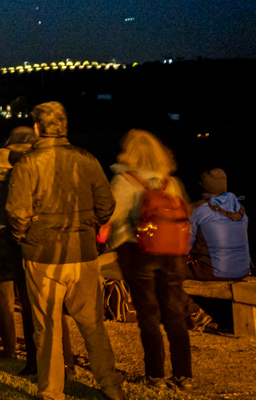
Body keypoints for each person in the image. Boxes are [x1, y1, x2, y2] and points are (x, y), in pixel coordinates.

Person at [6, 102, 124, 400]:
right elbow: (107, 206)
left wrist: (23, 237)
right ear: (64, 126)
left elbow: (17, 212)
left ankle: (52, 392)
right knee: (93, 324)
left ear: (36, 128)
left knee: (46, 328)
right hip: (83, 253)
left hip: (42, 255)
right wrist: (87, 226)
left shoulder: (27, 163)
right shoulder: (87, 159)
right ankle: (110, 386)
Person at [108, 129, 192, 390]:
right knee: (175, 314)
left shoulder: (124, 181)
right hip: (173, 255)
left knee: (148, 315)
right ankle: (184, 375)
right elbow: (185, 214)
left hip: (138, 253)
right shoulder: (172, 182)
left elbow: (111, 216)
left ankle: (155, 375)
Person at [0, 129, 45, 368]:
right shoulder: (24, 184)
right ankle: (35, 348)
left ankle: (9, 348)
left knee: (3, 302)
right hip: (19, 246)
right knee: (28, 301)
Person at [189, 168, 249, 281]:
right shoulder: (239, 209)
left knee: (170, 269)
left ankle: (183, 299)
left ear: (202, 186)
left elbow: (185, 244)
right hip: (242, 270)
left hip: (211, 271)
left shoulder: (198, 209)